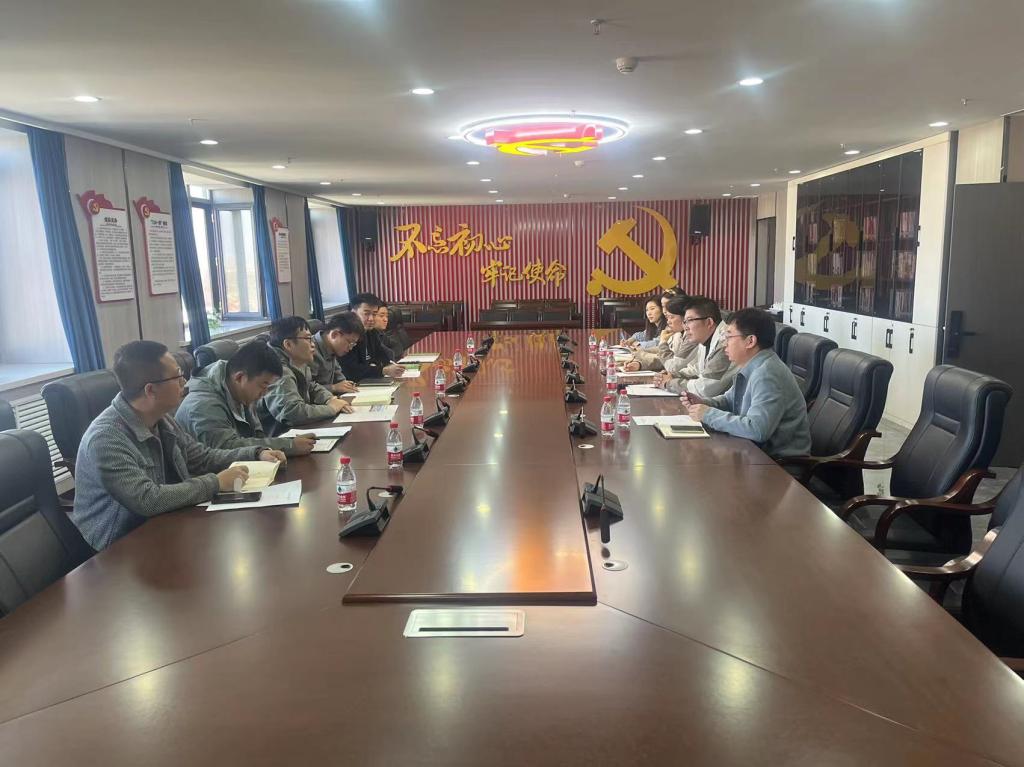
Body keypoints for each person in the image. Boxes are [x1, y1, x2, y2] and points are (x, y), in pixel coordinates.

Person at [72, 341, 285, 552]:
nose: (184, 381)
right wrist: (216, 483)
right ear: (150, 390)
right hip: (118, 548)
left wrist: (256, 453)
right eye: (177, 376)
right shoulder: (106, 439)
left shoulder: (162, 419)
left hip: (166, 524)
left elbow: (201, 457)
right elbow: (147, 500)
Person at [684, 308, 811, 458]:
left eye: (729, 336)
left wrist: (708, 414)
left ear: (750, 341)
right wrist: (703, 403)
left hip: (777, 463)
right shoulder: (753, 365)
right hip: (752, 453)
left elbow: (757, 429)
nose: (724, 343)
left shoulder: (767, 374)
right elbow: (730, 400)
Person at [176, 341, 316, 457]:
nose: (265, 393)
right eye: (263, 385)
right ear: (240, 377)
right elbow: (226, 447)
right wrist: (289, 445)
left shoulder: (238, 389)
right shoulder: (204, 405)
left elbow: (257, 437)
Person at [257, 316, 353, 435]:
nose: (313, 345)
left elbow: (310, 386)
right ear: (288, 344)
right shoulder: (278, 371)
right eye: (308, 339)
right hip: (278, 437)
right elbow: (291, 412)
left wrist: (329, 399)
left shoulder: (297, 361)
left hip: (298, 431)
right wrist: (331, 409)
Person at [656, 295, 737, 397]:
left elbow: (705, 388)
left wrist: (669, 383)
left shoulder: (726, 342)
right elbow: (697, 370)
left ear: (709, 322)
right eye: (685, 322)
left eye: (690, 320)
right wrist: (673, 375)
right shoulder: (705, 339)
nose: (685, 327)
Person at [623, 295, 697, 374]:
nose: (668, 321)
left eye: (671, 317)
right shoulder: (678, 334)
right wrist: (639, 364)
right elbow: (665, 359)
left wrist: (662, 343)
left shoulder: (692, 337)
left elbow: (673, 366)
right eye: (647, 310)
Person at [340, 293, 406, 381]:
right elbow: (351, 371)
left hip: (366, 381)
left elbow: (383, 354)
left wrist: (388, 366)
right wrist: (382, 370)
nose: (371, 319)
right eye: (366, 314)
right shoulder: (347, 335)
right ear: (353, 313)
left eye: (374, 314)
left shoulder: (371, 331)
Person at [310, 312, 363, 394]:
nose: (350, 348)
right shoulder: (309, 350)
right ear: (334, 334)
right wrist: (333, 388)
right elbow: (306, 388)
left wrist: (347, 385)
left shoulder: (331, 349)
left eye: (353, 344)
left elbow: (339, 377)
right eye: (350, 342)